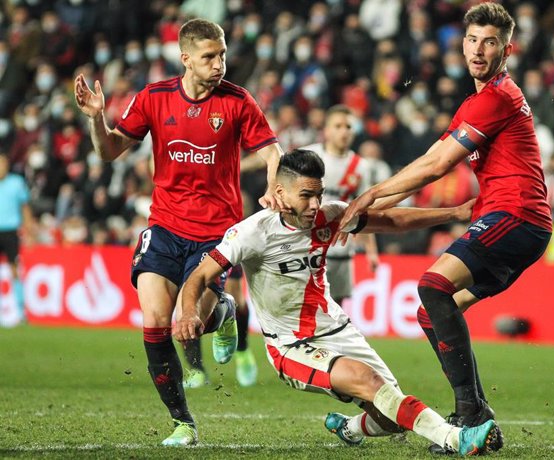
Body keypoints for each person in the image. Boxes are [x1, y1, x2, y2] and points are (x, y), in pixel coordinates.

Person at [175, 149, 496, 456]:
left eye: (319, 194)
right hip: (290, 344)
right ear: (280, 192)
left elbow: (391, 221)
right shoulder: (251, 233)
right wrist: (189, 312)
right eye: (305, 195)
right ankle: (456, 438)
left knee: (390, 415)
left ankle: (350, 428)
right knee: (369, 382)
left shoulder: (329, 216)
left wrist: (454, 213)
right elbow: (199, 277)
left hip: (337, 329)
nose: (316, 204)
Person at [339, 3, 553, 454]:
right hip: (513, 223)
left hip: (515, 216)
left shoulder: (497, 97)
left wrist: (368, 196)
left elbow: (436, 166)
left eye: (490, 42)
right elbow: (425, 164)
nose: (479, 50)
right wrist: (365, 211)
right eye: (473, 40)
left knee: (432, 285)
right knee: (431, 308)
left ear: (507, 49)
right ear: (462, 44)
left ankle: (471, 414)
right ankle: (477, 414)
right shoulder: (476, 103)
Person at [74, 18, 284, 446]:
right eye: (209, 57)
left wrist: (272, 187)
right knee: (155, 321)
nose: (219, 64)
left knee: (190, 324)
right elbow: (110, 150)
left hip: (216, 235)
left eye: (222, 54)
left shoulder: (238, 101)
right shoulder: (153, 98)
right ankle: (183, 423)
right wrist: (97, 120)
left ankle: (222, 313)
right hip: (165, 227)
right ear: (185, 58)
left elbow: (271, 150)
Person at [303, 105, 379, 306]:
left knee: (334, 310)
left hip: (340, 250)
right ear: (326, 130)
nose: (344, 131)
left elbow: (363, 211)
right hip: (306, 246)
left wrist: (371, 251)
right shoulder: (309, 156)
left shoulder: (360, 166)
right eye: (338, 126)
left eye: (348, 126)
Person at [0, 152, 33, 322]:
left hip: (10, 231)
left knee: (14, 269)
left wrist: (29, 230)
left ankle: (20, 311)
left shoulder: (16, 183)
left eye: (3, 163)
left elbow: (25, 208)